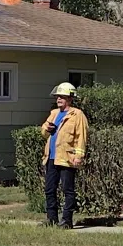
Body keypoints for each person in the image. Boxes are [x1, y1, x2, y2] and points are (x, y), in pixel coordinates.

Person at [39, 82, 88, 229]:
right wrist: (47, 129)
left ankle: (66, 221)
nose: (58, 99)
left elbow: (82, 137)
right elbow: (43, 132)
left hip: (67, 158)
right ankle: (51, 219)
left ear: (70, 98)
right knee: (49, 189)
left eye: (62, 96)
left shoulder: (77, 115)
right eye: (57, 96)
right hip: (51, 158)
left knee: (68, 190)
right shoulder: (54, 113)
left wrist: (79, 156)